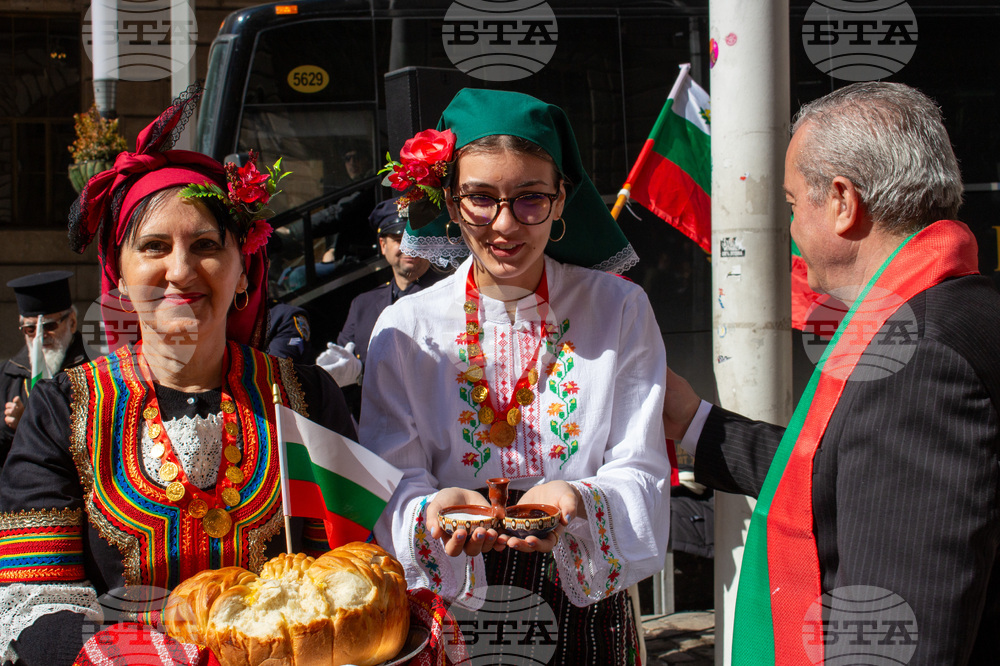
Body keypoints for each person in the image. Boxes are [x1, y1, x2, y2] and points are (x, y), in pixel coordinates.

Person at [0, 92, 355, 666]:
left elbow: (348, 572)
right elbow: (34, 599)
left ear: (243, 269)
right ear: (119, 274)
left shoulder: (306, 397)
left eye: (207, 246)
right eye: (155, 247)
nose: (182, 270)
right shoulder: (63, 410)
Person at [663, 82, 1000, 664]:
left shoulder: (918, 358)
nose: (790, 231)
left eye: (794, 205)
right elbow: (845, 477)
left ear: (843, 202)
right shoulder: (953, 305)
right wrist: (693, 422)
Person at [361, 88, 670, 664]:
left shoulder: (619, 309)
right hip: (453, 604)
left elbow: (642, 466)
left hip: (586, 602)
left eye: (530, 198)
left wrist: (578, 501)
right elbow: (392, 482)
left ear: (561, 202)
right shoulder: (406, 326)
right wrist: (430, 511)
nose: (505, 225)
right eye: (480, 198)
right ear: (450, 203)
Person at [317, 198, 448, 409]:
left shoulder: (448, 297)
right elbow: (344, 357)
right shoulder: (363, 304)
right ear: (383, 245)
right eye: (399, 238)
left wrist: (363, 371)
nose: (409, 247)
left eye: (417, 238)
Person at [1, 271, 87, 466]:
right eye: (31, 329)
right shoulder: (7, 375)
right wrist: (9, 428)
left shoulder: (95, 371)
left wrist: (27, 423)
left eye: (49, 326)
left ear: (72, 322)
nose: (41, 336)